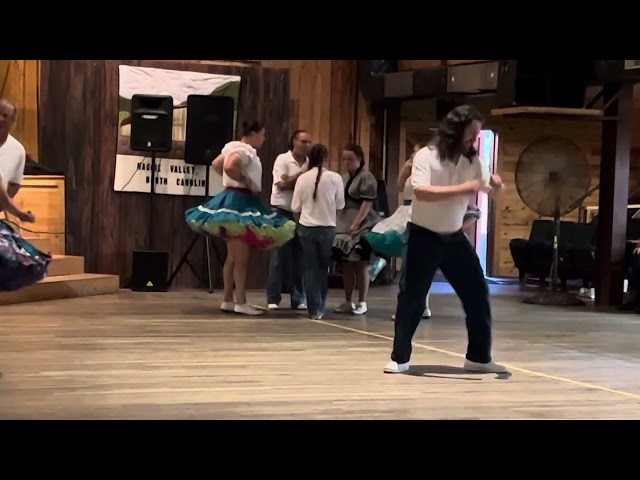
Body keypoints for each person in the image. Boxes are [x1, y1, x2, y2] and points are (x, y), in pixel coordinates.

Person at [384, 105, 507, 375]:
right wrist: (465, 188)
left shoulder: (472, 161)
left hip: (454, 237)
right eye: (471, 134)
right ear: (455, 131)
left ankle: (478, 358)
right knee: (412, 298)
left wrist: (496, 185)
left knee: (477, 294)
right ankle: (399, 357)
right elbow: (422, 192)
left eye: (477, 135)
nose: (474, 140)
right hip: (423, 235)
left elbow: (491, 190)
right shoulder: (426, 157)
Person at [185, 120, 296, 316]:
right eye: (262, 134)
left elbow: (217, 164)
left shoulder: (232, 146)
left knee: (232, 257)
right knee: (240, 259)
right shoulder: (246, 150)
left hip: (233, 198)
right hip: (240, 201)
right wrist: (246, 181)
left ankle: (229, 299)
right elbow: (228, 166)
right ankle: (241, 301)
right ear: (253, 134)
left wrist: (232, 179)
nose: (264, 138)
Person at [366, 135, 438, 321]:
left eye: (416, 152)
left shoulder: (429, 173)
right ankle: (415, 306)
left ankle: (419, 306)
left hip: (417, 213)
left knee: (416, 265)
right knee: (410, 264)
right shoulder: (412, 170)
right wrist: (405, 170)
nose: (413, 155)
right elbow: (399, 187)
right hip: (404, 211)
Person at [291, 144, 345, 320]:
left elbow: (295, 207)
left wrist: (299, 223)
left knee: (310, 268)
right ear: (326, 158)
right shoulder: (335, 178)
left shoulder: (302, 179)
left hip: (306, 227)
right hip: (327, 228)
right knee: (323, 268)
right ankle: (321, 304)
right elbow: (340, 206)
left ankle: (314, 308)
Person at [266, 129, 312, 311]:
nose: (307, 145)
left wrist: (295, 179)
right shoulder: (283, 160)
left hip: (302, 213)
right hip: (281, 211)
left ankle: (298, 297)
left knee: (300, 257)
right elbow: (282, 185)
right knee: (279, 255)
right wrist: (301, 175)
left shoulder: (310, 163)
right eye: (303, 141)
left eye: (309, 142)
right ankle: (273, 297)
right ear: (294, 141)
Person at [333, 145, 381, 315]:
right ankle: (348, 300)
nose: (347, 162)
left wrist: (356, 223)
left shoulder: (367, 178)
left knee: (360, 263)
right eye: (344, 158)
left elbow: (367, 203)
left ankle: (362, 301)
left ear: (360, 160)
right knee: (345, 263)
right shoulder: (343, 178)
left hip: (362, 221)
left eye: (351, 159)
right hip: (343, 220)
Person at [0, 99, 26, 201]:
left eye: (5, 116)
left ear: (12, 122)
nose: (0, 119)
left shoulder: (18, 151)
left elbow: (15, 183)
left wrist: (3, 204)